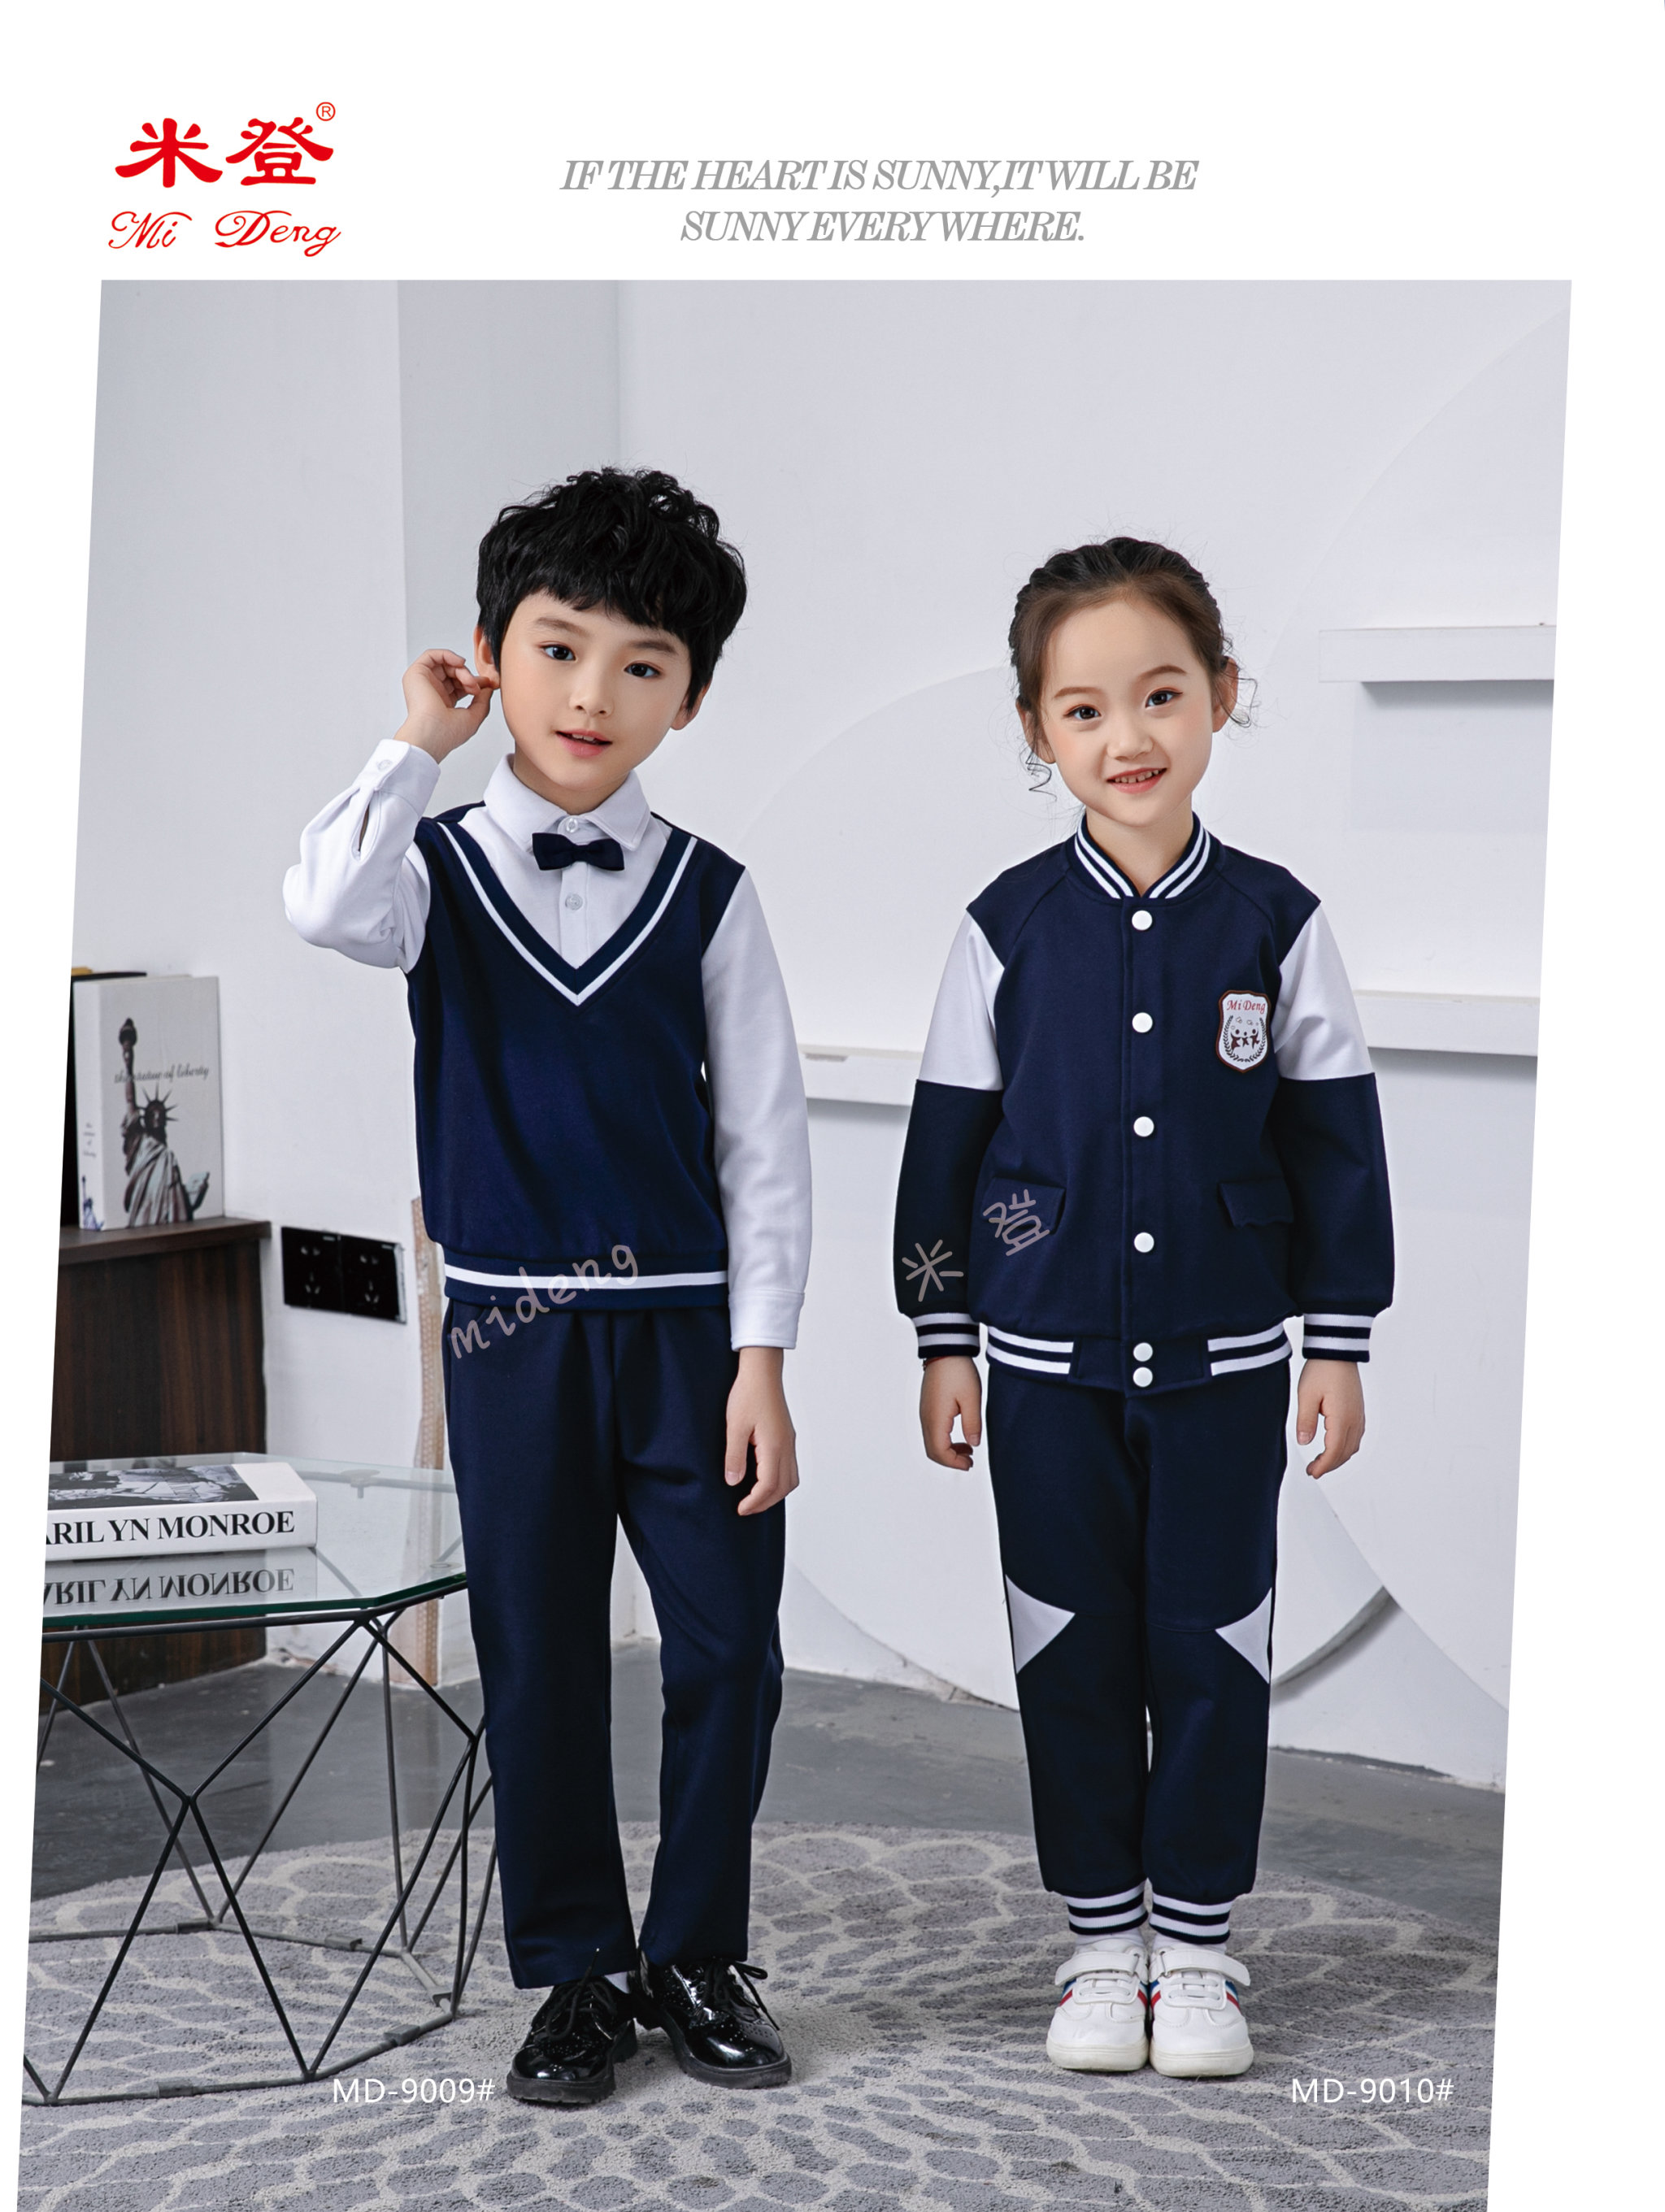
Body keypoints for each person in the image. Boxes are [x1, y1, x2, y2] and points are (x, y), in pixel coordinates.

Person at [285, 467, 811, 2105]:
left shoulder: (712, 893)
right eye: (558, 648)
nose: (593, 694)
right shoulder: (427, 868)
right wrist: (413, 743)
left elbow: (766, 1141)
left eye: (642, 664)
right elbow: (317, 901)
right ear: (490, 655)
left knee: (728, 1646)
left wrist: (762, 1357)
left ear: (688, 696)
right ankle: (577, 1968)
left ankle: (697, 1950)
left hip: (687, 1333)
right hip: (511, 1330)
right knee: (540, 1654)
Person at [892, 537, 1393, 2079]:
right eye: (1085, 708)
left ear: (1223, 695)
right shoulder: (1004, 927)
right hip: (1041, 1366)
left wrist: (1338, 1338)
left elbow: (1336, 1143)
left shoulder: (1278, 924)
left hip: (1230, 1366)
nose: (1129, 736)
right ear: (1037, 731)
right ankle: (1103, 1941)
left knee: (1215, 1646)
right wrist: (944, 1335)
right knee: (1069, 1646)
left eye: (1162, 695)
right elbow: (945, 1148)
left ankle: (1200, 1947)